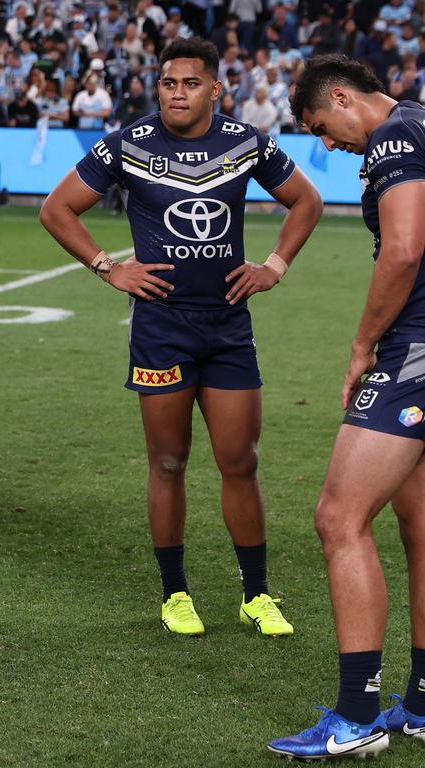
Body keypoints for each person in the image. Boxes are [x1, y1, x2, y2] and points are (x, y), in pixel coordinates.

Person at [40, 37, 322, 637]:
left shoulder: (246, 142)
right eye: (168, 83)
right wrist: (107, 267)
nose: (177, 93)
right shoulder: (129, 145)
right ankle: (175, 594)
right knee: (168, 461)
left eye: (191, 83)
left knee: (239, 461)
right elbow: (57, 208)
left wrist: (274, 264)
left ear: (215, 90)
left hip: (227, 327)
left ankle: (257, 594)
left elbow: (306, 201)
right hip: (161, 330)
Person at [269, 54, 425, 761]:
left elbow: (402, 251)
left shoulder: (394, 137)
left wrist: (364, 345)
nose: (326, 144)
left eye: (321, 128)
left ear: (340, 97)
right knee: (419, 524)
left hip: (416, 346)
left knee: (339, 516)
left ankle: (356, 716)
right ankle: (421, 705)